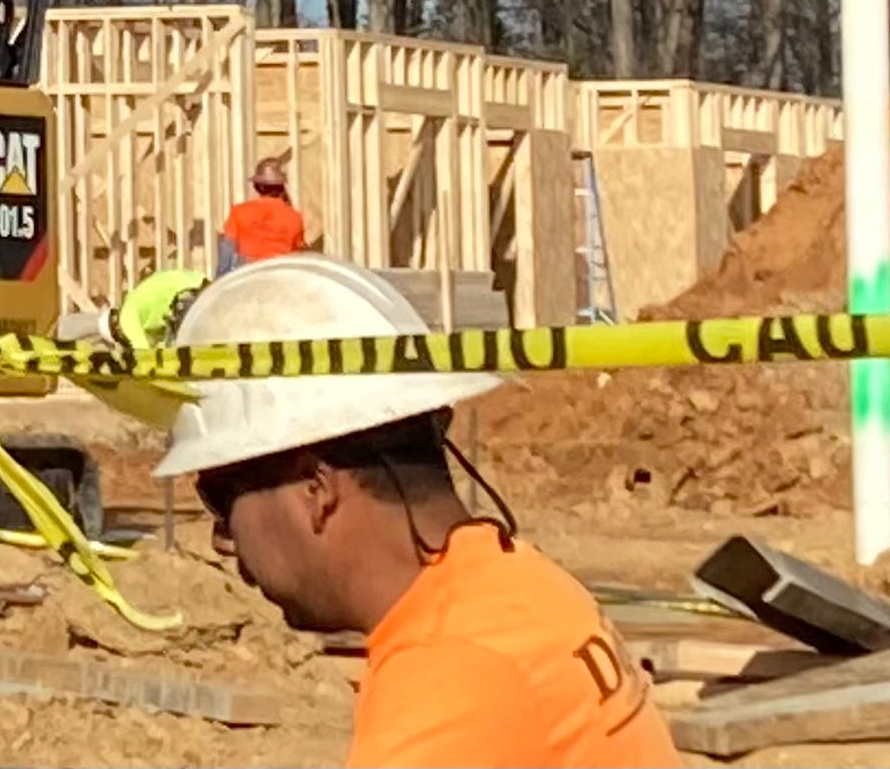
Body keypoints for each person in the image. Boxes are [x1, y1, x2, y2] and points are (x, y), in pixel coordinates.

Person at [160, 256, 677, 767]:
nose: (222, 541)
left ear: (314, 485)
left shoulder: (451, 679)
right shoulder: (518, 584)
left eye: (221, 500)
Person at [219, 155, 309, 271]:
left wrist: (220, 280)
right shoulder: (295, 217)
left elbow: (227, 250)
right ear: (281, 187)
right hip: (280, 274)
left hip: (247, 274)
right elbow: (297, 255)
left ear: (257, 186)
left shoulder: (239, 212)